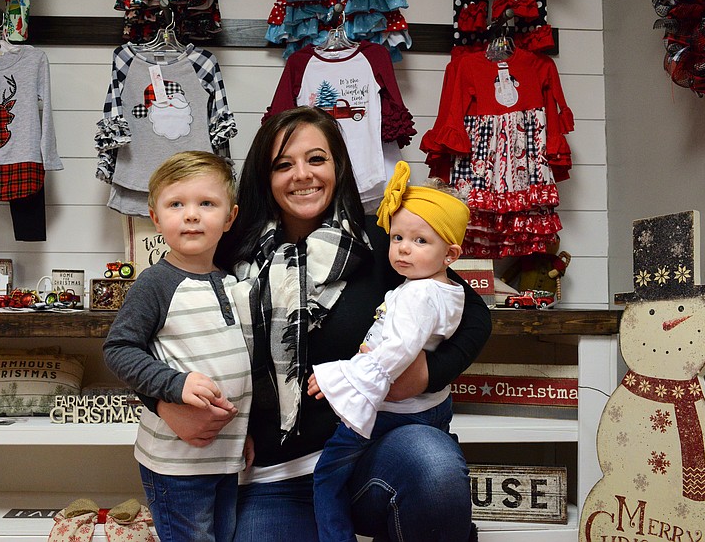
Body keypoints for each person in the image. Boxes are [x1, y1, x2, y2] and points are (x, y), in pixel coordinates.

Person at [148, 107, 492, 542]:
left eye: (316, 159)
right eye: (283, 164)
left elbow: (476, 316)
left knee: (433, 462)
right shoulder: (227, 251)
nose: (302, 175)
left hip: (369, 455)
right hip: (274, 473)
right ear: (264, 175)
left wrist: (428, 374)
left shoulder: (383, 241)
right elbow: (148, 338)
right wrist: (161, 403)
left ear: (338, 166)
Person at [307, 159, 471, 542]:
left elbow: (398, 349)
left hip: (391, 410)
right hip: (429, 409)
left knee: (327, 474)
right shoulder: (445, 289)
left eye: (420, 241)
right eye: (397, 238)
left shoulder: (419, 294)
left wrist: (343, 376)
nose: (402, 251)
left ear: (450, 255)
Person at [103, 151, 253, 542]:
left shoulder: (234, 281)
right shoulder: (155, 283)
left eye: (206, 203)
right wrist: (175, 385)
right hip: (176, 464)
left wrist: (246, 432)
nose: (191, 215)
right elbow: (119, 349)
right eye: (176, 204)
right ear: (156, 218)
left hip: (226, 458)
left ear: (230, 217)